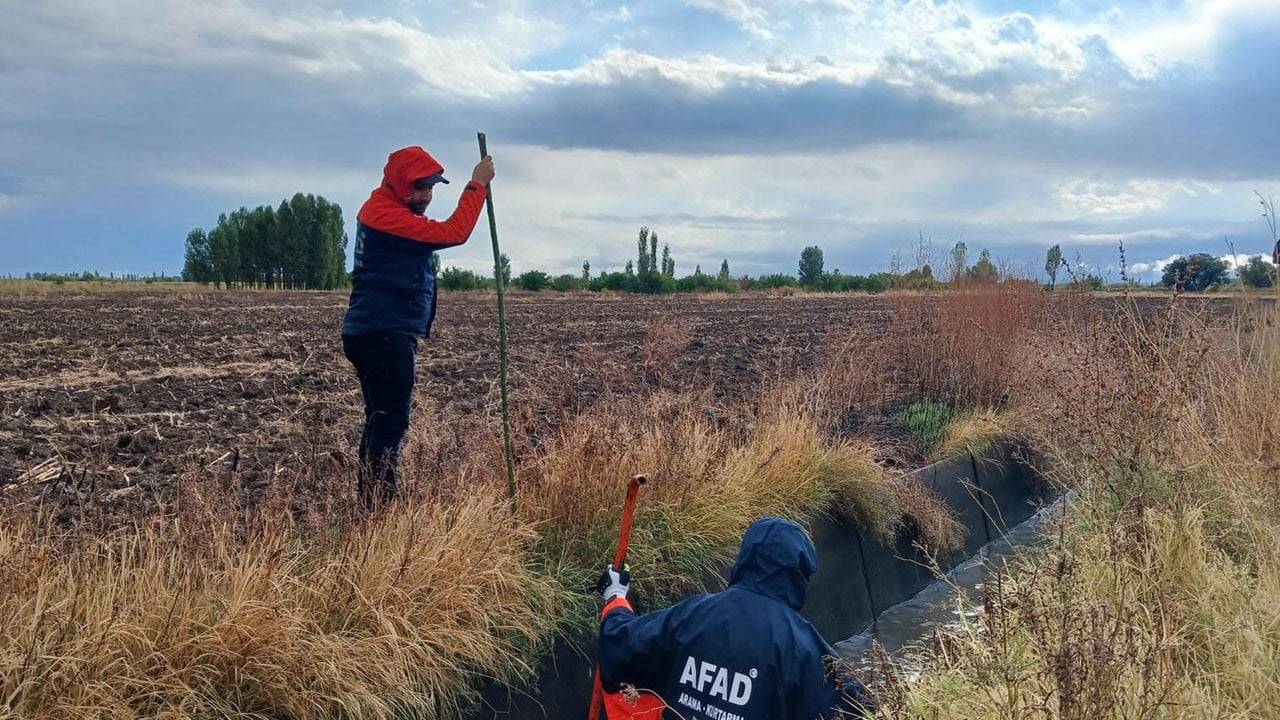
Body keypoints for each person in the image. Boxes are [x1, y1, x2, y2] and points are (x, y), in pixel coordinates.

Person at [596, 517, 877, 720]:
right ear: (800, 575)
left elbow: (623, 642)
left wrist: (615, 596)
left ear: (744, 558)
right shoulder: (804, 647)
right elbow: (860, 710)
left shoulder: (693, 613)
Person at [341, 145, 495, 509]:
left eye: (430, 189)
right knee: (390, 422)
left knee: (380, 419)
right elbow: (454, 232)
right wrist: (477, 186)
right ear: (398, 183)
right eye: (420, 188)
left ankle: (372, 501)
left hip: (376, 331)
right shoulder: (387, 217)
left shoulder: (384, 208)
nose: (426, 197)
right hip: (383, 334)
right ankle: (380, 506)